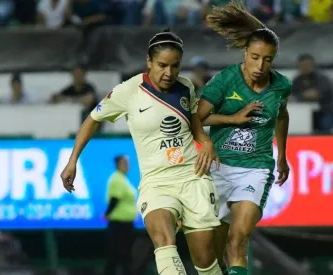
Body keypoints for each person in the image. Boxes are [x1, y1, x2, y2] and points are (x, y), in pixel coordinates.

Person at [60, 29, 224, 275]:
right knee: (163, 240)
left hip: (193, 177)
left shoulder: (186, 87)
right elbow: (92, 120)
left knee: (205, 262)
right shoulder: (128, 91)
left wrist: (207, 142)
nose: (168, 73)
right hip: (156, 182)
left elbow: (194, 125)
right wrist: (72, 160)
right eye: (162, 65)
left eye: (175, 66)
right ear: (149, 62)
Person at [197, 2, 291, 274]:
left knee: (238, 241)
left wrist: (282, 155)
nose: (260, 65)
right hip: (218, 169)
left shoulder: (282, 85)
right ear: (245, 53)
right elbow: (196, 117)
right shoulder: (225, 80)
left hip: (256, 169)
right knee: (212, 255)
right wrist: (231, 120)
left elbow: (281, 116)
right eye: (255, 57)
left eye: (268, 59)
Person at [104, 155, 137, 275]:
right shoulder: (117, 179)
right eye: (124, 163)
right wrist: (106, 214)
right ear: (118, 164)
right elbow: (114, 199)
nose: (127, 165)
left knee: (122, 254)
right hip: (119, 224)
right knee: (119, 255)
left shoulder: (123, 179)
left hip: (126, 223)